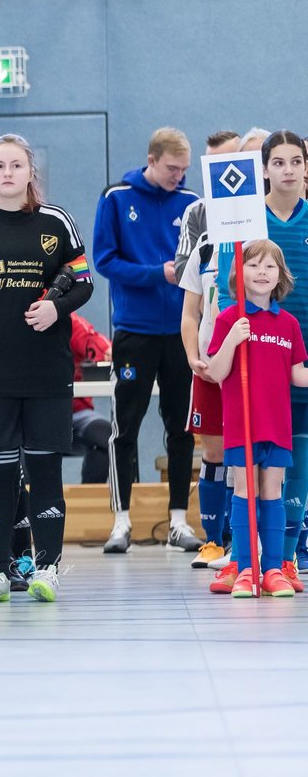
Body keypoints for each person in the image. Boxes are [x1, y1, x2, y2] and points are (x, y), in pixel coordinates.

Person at [0, 134, 93, 603]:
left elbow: (84, 281)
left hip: (47, 374)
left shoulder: (57, 222)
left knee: (47, 474)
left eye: (16, 165)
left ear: (30, 172)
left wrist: (57, 309)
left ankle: (47, 570)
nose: (7, 173)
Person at [93, 127, 202, 554]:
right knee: (127, 425)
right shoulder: (116, 197)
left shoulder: (192, 204)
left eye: (184, 170)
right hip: (135, 331)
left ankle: (178, 520)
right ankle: (121, 522)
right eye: (172, 168)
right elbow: (105, 261)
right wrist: (158, 273)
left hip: (181, 330)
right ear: (152, 160)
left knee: (181, 425)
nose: (179, 176)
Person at [212, 131, 308, 591]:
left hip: (284, 391)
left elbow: (298, 373)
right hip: (244, 393)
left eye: (297, 161)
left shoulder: (287, 323)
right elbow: (216, 367)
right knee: (243, 483)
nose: (288, 170)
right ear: (264, 166)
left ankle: (279, 563)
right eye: (279, 162)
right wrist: (227, 338)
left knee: (284, 479)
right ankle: (242, 564)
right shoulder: (246, 221)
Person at [178, 228, 230, 571]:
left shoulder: (264, 234)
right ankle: (213, 540)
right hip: (209, 370)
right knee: (213, 453)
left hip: (252, 368)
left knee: (253, 455)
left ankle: (240, 540)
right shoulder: (207, 244)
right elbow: (190, 313)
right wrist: (193, 356)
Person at [172, 130, 240, 280]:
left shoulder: (261, 209)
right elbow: (182, 270)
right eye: (210, 165)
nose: (217, 172)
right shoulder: (196, 212)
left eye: (224, 163)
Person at [69, 313, 113, 485]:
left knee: (104, 435)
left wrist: (106, 352)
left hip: (76, 413)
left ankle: (91, 502)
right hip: (31, 415)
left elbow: (90, 339)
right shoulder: (14, 320)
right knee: (15, 441)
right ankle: (25, 506)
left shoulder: (68, 320)